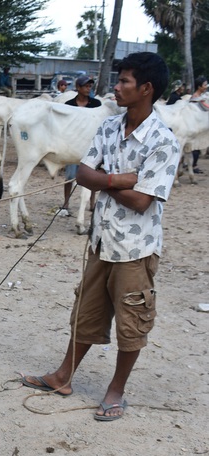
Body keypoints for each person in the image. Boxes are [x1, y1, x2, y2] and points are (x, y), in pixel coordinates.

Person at [20, 52, 181, 422]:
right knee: (85, 313)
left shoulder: (163, 141)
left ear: (146, 89)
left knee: (131, 322)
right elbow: (82, 174)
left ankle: (116, 390)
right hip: (101, 240)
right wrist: (121, 179)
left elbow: (142, 201)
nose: (117, 87)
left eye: (124, 81)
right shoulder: (109, 127)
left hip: (136, 250)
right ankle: (63, 376)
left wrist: (103, 181)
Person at [60, 76, 102, 216]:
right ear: (78, 88)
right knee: (70, 176)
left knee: (92, 176)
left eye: (90, 86)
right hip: (73, 145)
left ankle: (91, 202)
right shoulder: (69, 104)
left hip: (91, 145)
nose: (88, 89)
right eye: (85, 86)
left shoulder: (96, 104)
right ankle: (66, 203)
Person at [188, 76, 207, 174]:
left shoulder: (201, 97)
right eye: (204, 85)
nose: (206, 86)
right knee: (195, 148)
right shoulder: (195, 98)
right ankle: (193, 166)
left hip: (199, 125)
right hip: (194, 126)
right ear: (199, 87)